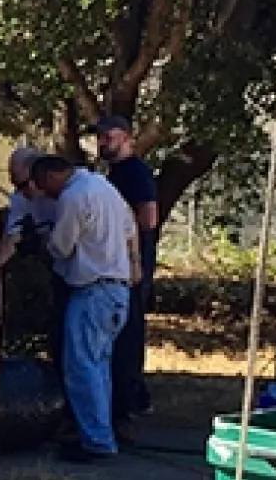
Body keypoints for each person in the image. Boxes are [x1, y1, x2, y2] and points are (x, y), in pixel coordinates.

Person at [29, 155, 138, 462]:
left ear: (50, 176)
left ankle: (96, 441)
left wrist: (43, 244)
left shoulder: (73, 196)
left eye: (42, 186)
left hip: (91, 289)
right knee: (99, 366)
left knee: (82, 368)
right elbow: (130, 226)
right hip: (117, 289)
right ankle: (101, 432)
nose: (45, 194)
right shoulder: (103, 186)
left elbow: (62, 246)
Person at [90, 115, 159, 426]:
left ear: (127, 137)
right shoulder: (112, 173)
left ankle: (130, 401)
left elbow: (149, 219)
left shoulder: (135, 172)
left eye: (109, 136)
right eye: (100, 137)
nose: (103, 142)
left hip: (133, 263)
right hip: (116, 261)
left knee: (129, 332)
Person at [1, 146, 57, 265]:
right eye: (15, 184)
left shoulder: (66, 194)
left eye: (22, 184)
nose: (20, 192)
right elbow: (12, 238)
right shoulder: (20, 198)